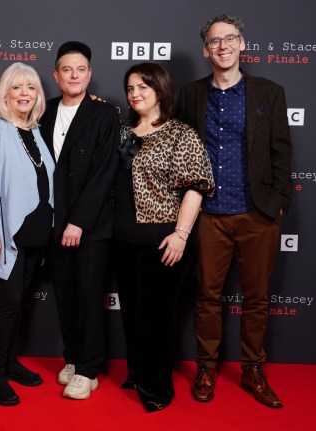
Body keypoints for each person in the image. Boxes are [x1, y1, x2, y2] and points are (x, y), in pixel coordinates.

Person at [177, 14, 292, 408]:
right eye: (214, 41)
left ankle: (252, 369)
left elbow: (281, 151)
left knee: (257, 298)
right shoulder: (190, 95)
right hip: (208, 214)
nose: (223, 46)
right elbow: (166, 134)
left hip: (257, 213)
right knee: (207, 297)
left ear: (242, 44)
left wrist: (277, 204)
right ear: (205, 50)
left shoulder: (269, 92)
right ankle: (206, 367)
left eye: (230, 39)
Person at [114, 63, 215, 412]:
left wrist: (181, 235)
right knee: (132, 312)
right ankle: (138, 371)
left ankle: (157, 387)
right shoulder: (121, 132)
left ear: (159, 89)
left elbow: (196, 188)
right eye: (129, 88)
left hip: (163, 241)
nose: (135, 93)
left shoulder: (180, 133)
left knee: (156, 316)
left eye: (143, 86)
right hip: (123, 241)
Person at [0, 62, 54, 406]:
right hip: (8, 237)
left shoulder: (33, 130)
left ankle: (8, 361)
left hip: (36, 236)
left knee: (18, 303)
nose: (24, 94)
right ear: (4, 93)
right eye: (17, 87)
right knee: (5, 306)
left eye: (30, 88)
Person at [39, 41, 119, 400]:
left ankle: (89, 369)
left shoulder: (104, 115)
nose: (74, 75)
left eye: (81, 69)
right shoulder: (44, 110)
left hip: (90, 226)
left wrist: (78, 222)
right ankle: (72, 358)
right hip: (53, 224)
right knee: (66, 295)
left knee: (88, 295)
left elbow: (104, 173)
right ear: (55, 75)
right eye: (67, 69)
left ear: (89, 74)